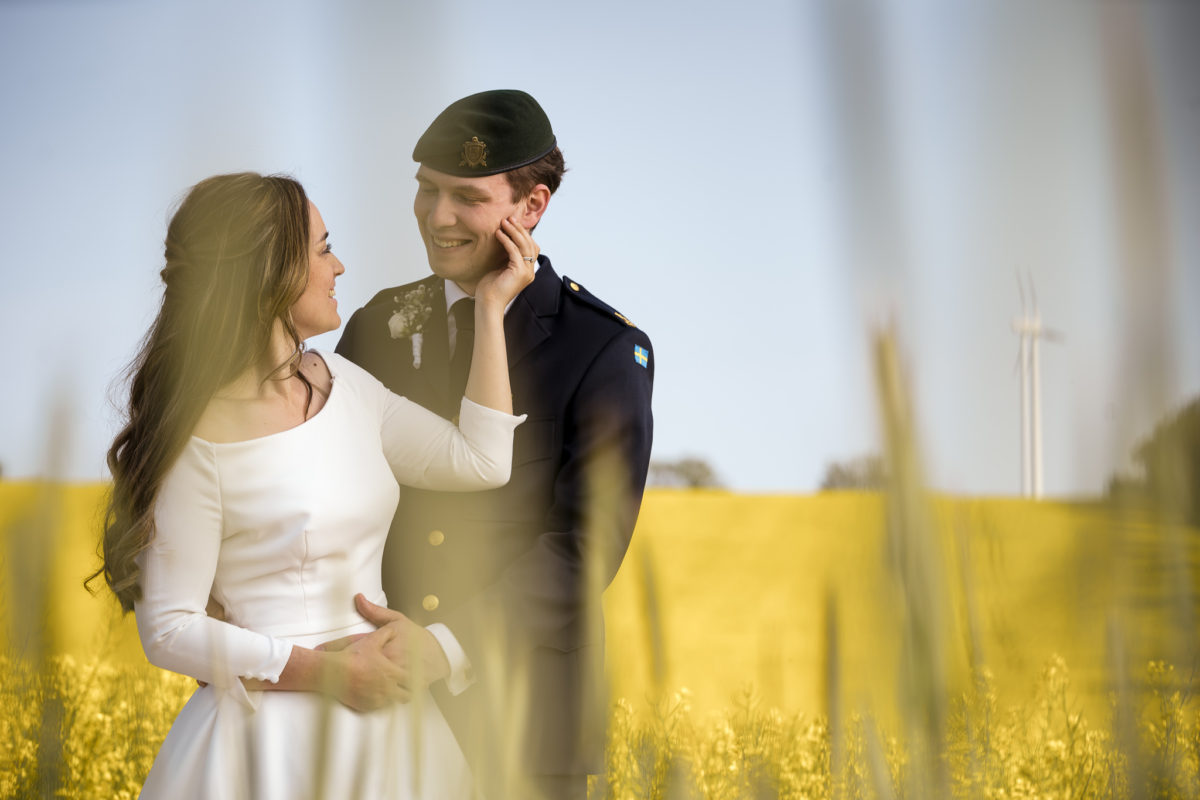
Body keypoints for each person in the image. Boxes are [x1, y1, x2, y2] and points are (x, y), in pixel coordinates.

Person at [88, 171, 538, 799]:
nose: (340, 266)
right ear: (268, 271)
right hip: (263, 745)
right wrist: (329, 676)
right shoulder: (195, 437)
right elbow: (168, 628)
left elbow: (481, 461)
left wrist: (492, 308)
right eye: (324, 249)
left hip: (393, 731)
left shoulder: (347, 385)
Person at [335, 89, 655, 799]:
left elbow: (584, 541)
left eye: (466, 198)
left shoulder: (600, 346)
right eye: (425, 190)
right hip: (374, 696)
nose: (437, 217)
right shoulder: (377, 324)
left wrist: (443, 645)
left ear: (531, 207)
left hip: (526, 722)